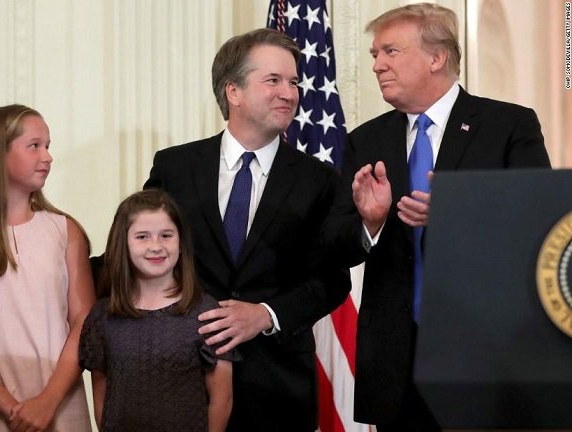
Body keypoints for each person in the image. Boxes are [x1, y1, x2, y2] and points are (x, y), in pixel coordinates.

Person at [324, 3, 552, 430]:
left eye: (390, 51)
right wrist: (370, 223)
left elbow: (538, 224)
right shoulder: (365, 140)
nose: (377, 66)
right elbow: (333, 242)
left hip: (484, 353)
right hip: (395, 362)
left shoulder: (509, 125)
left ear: (436, 57)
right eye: (375, 54)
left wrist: (458, 213)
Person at [143, 28, 351, 431]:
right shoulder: (175, 166)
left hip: (279, 388)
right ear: (233, 91)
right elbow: (144, 253)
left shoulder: (320, 180)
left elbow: (332, 280)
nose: (289, 93)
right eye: (273, 80)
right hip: (183, 378)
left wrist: (266, 314)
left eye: (293, 82)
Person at [0, 104, 94, 432]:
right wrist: (9, 405)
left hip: (57, 404)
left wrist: (47, 401)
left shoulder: (64, 230)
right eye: (34, 146)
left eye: (48, 146)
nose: (48, 157)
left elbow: (82, 321)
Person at [79, 189, 237, 432]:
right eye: (142, 237)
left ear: (181, 243)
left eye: (166, 235)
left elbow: (221, 399)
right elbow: (101, 395)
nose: (156, 246)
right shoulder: (103, 316)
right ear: (123, 244)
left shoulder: (206, 313)